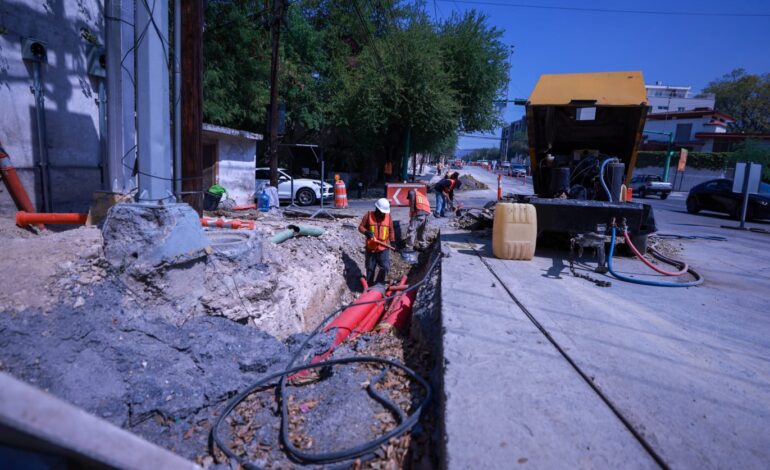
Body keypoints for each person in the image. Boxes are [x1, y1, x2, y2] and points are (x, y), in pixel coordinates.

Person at [358, 198, 395, 285]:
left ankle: (379, 284)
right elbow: (360, 227)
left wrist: (392, 241)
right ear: (377, 209)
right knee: (370, 268)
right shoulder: (368, 215)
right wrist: (366, 232)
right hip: (371, 248)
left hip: (383, 248)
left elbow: (391, 230)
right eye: (382, 212)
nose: (383, 214)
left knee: (385, 267)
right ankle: (370, 285)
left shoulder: (388, 217)